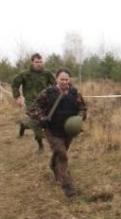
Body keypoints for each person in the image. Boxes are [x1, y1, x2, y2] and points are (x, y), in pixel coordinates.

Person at [27, 67, 87, 198]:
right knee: (62, 154)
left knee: (60, 152)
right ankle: (68, 187)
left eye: (66, 79)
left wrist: (79, 118)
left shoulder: (74, 93)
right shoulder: (48, 93)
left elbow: (83, 108)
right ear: (56, 79)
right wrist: (41, 117)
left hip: (69, 131)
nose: (64, 82)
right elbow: (33, 108)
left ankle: (53, 166)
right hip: (52, 130)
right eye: (62, 79)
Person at [11, 53, 56, 153]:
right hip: (31, 102)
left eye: (40, 62)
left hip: (45, 101)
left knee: (46, 120)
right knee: (36, 123)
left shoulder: (47, 73)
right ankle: (40, 146)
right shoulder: (25, 74)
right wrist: (17, 96)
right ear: (32, 62)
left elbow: (55, 85)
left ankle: (24, 125)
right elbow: (15, 84)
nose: (39, 64)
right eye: (36, 62)